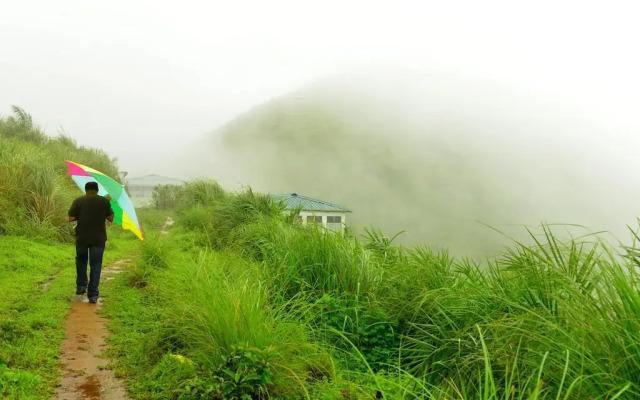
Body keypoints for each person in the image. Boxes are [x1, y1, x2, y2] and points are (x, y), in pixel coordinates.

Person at [68, 181, 114, 303]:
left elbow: (71, 218)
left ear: (86, 189)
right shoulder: (104, 201)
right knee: (96, 265)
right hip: (98, 238)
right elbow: (110, 219)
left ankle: (81, 286)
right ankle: (93, 295)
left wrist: (82, 215)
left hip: (82, 237)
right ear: (97, 190)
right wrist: (108, 204)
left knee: (81, 260)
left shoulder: (79, 200)